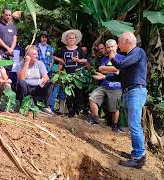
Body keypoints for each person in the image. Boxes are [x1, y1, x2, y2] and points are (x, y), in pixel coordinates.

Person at [93, 32, 147, 168]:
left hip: (136, 91)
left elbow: (119, 65)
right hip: (130, 91)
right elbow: (120, 76)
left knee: (134, 124)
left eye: (118, 42)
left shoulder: (137, 52)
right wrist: (104, 77)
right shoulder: (131, 56)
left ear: (127, 41)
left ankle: (139, 157)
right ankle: (136, 153)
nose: (116, 46)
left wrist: (111, 54)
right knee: (132, 124)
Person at [88, 39, 124, 133]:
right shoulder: (105, 58)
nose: (110, 49)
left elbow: (119, 71)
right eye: (108, 47)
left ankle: (115, 126)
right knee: (92, 98)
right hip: (104, 85)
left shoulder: (121, 58)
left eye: (112, 46)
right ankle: (95, 118)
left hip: (116, 86)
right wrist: (114, 69)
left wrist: (109, 69)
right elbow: (102, 70)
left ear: (116, 46)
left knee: (114, 108)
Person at [54, 29, 90, 117]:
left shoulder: (79, 49)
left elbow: (86, 60)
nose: (71, 40)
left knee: (78, 93)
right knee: (69, 93)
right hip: (67, 75)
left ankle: (76, 110)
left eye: (73, 38)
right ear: (67, 40)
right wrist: (61, 60)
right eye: (69, 38)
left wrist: (78, 60)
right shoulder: (63, 49)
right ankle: (70, 111)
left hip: (77, 75)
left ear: (75, 39)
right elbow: (54, 55)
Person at [16, 45, 54, 115]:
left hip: (37, 87)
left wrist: (39, 81)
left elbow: (46, 78)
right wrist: (27, 63)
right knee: (21, 83)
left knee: (50, 84)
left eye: (37, 54)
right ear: (28, 55)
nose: (37, 56)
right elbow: (21, 78)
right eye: (34, 54)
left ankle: (47, 107)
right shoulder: (20, 64)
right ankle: (23, 105)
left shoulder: (40, 63)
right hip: (25, 88)